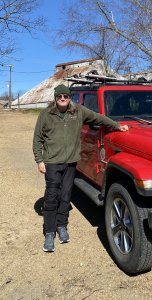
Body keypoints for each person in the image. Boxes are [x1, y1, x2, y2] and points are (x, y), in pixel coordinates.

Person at [33, 84, 128, 252]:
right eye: (59, 96)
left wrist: (117, 125)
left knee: (65, 195)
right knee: (51, 195)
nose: (63, 98)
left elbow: (98, 118)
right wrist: (39, 160)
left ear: (70, 98)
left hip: (70, 162)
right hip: (52, 162)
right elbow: (37, 139)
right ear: (55, 98)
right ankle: (49, 232)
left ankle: (62, 226)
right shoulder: (46, 115)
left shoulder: (79, 111)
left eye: (66, 96)